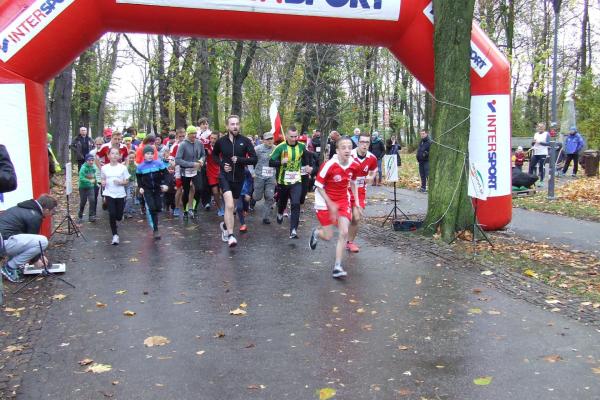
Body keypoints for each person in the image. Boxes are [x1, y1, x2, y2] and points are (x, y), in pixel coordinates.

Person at [309, 137, 360, 279]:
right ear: (337, 151)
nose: (347, 150)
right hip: (324, 201)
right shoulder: (329, 165)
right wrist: (330, 203)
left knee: (344, 232)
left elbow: (354, 182)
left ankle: (337, 266)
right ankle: (316, 233)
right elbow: (318, 186)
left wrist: (356, 203)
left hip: (343, 200)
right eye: (343, 147)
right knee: (328, 235)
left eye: (349, 147)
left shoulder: (354, 165)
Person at [212, 115, 257, 247]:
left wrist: (240, 159)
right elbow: (214, 155)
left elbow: (254, 159)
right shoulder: (221, 141)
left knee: (232, 208)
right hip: (224, 176)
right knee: (230, 205)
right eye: (232, 124)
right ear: (227, 126)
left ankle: (225, 226)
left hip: (239, 177)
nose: (235, 126)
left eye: (237, 124)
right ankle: (231, 235)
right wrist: (221, 164)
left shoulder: (245, 141)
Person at [0, 194, 57, 283]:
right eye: (53, 212)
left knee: (32, 241)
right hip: (4, 242)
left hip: (4, 239)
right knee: (43, 241)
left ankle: (14, 265)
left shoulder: (26, 208)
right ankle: (10, 267)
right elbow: (35, 241)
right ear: (46, 210)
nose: (52, 214)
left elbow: (26, 239)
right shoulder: (34, 216)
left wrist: (40, 255)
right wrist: (36, 260)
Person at [270, 126, 313, 239]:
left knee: (295, 203)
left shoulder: (302, 146)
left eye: (296, 136)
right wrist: (280, 162)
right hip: (283, 181)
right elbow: (271, 162)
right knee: (283, 202)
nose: (294, 139)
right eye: (292, 136)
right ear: (287, 136)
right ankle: (280, 212)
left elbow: (307, 156)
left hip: (296, 180)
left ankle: (293, 229)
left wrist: (308, 165)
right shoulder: (280, 147)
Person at [347, 133, 378, 253]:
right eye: (362, 142)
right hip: (345, 189)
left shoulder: (372, 158)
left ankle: (350, 242)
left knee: (356, 217)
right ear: (358, 142)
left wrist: (371, 177)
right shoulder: (349, 155)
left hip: (360, 190)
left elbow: (373, 170)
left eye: (367, 142)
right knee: (345, 217)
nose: (364, 145)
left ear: (369, 144)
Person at [137, 145, 169, 240]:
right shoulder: (140, 167)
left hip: (158, 189)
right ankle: (156, 230)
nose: (150, 155)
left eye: (151, 154)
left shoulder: (158, 164)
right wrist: (141, 187)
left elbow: (166, 174)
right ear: (144, 155)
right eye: (147, 154)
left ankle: (155, 216)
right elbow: (139, 178)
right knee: (152, 208)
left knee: (158, 207)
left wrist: (166, 184)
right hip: (147, 190)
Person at [175, 125, 206, 219]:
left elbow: (203, 155)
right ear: (188, 134)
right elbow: (178, 160)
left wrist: (201, 160)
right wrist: (192, 164)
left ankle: (194, 208)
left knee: (200, 189)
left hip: (197, 170)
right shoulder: (183, 145)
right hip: (186, 171)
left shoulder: (199, 143)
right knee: (187, 191)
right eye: (192, 133)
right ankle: (185, 210)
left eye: (195, 133)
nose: (194, 135)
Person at [101, 148, 130, 245]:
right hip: (109, 193)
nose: (114, 155)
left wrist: (121, 182)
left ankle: (119, 216)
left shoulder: (123, 168)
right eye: (112, 153)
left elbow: (127, 181)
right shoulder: (104, 168)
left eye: (116, 154)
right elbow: (102, 179)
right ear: (108, 156)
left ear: (119, 156)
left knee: (118, 216)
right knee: (112, 214)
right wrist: (103, 182)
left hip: (120, 194)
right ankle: (115, 235)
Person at [252, 132, 276, 224]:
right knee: (257, 197)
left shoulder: (276, 149)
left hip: (271, 177)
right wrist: (252, 172)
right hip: (259, 176)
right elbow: (251, 160)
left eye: (271, 139)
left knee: (269, 197)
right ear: (263, 140)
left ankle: (265, 217)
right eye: (268, 139)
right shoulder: (257, 149)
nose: (270, 141)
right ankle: (253, 195)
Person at [204, 131, 223, 216]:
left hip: (221, 171)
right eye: (211, 138)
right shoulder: (206, 147)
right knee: (215, 192)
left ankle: (227, 207)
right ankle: (220, 209)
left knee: (223, 192)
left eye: (215, 138)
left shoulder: (221, 147)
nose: (213, 140)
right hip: (211, 172)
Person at [78, 154, 98, 223]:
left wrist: (96, 183)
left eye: (92, 160)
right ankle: (80, 216)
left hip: (90, 187)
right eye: (89, 160)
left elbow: (93, 176)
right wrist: (89, 180)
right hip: (83, 187)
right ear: (86, 161)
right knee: (83, 202)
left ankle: (91, 216)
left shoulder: (93, 168)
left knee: (92, 200)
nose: (91, 162)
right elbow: (81, 178)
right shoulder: (83, 168)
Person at [529, 122, 550, 187]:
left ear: (544, 128)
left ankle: (541, 181)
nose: (540, 128)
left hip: (543, 153)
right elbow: (533, 143)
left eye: (541, 127)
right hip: (536, 152)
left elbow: (548, 143)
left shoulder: (547, 134)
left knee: (541, 166)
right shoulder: (536, 134)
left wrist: (540, 142)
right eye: (539, 127)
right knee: (531, 165)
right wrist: (533, 143)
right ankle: (529, 180)